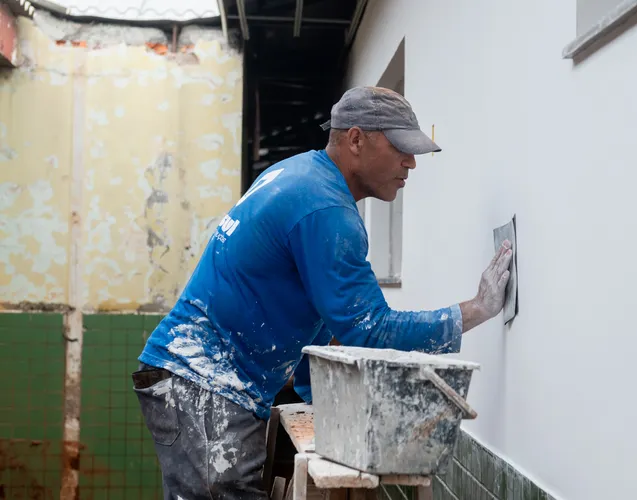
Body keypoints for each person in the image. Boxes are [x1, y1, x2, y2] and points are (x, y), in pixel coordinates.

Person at [131, 86, 513, 499]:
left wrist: (322, 405)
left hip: (200, 378)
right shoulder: (325, 209)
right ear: (355, 139)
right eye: (401, 148)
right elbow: (370, 330)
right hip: (204, 382)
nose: (411, 163)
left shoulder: (298, 175)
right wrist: (475, 309)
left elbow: (322, 321)